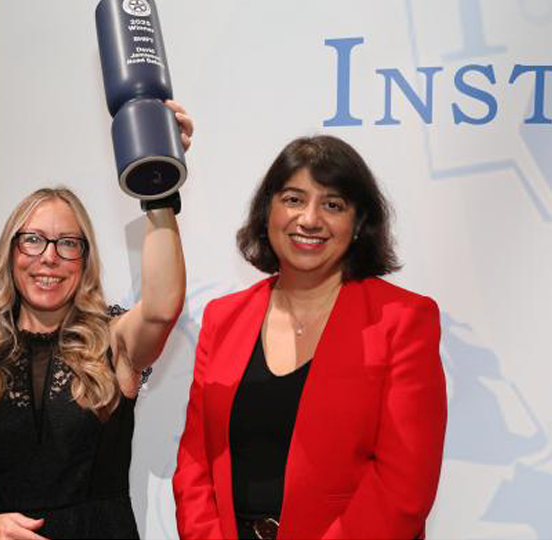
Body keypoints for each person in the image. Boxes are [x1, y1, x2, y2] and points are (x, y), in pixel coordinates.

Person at [172, 135, 447, 540]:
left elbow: (404, 486)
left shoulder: (404, 320)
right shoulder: (223, 318)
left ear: (358, 224)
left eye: (333, 204)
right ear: (269, 211)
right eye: (294, 199)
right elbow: (196, 460)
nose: (310, 219)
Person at [0, 103, 193, 540]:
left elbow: (162, 307)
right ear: (11, 251)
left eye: (68, 244)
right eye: (34, 240)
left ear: (85, 259)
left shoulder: (112, 339)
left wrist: (158, 185)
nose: (49, 258)